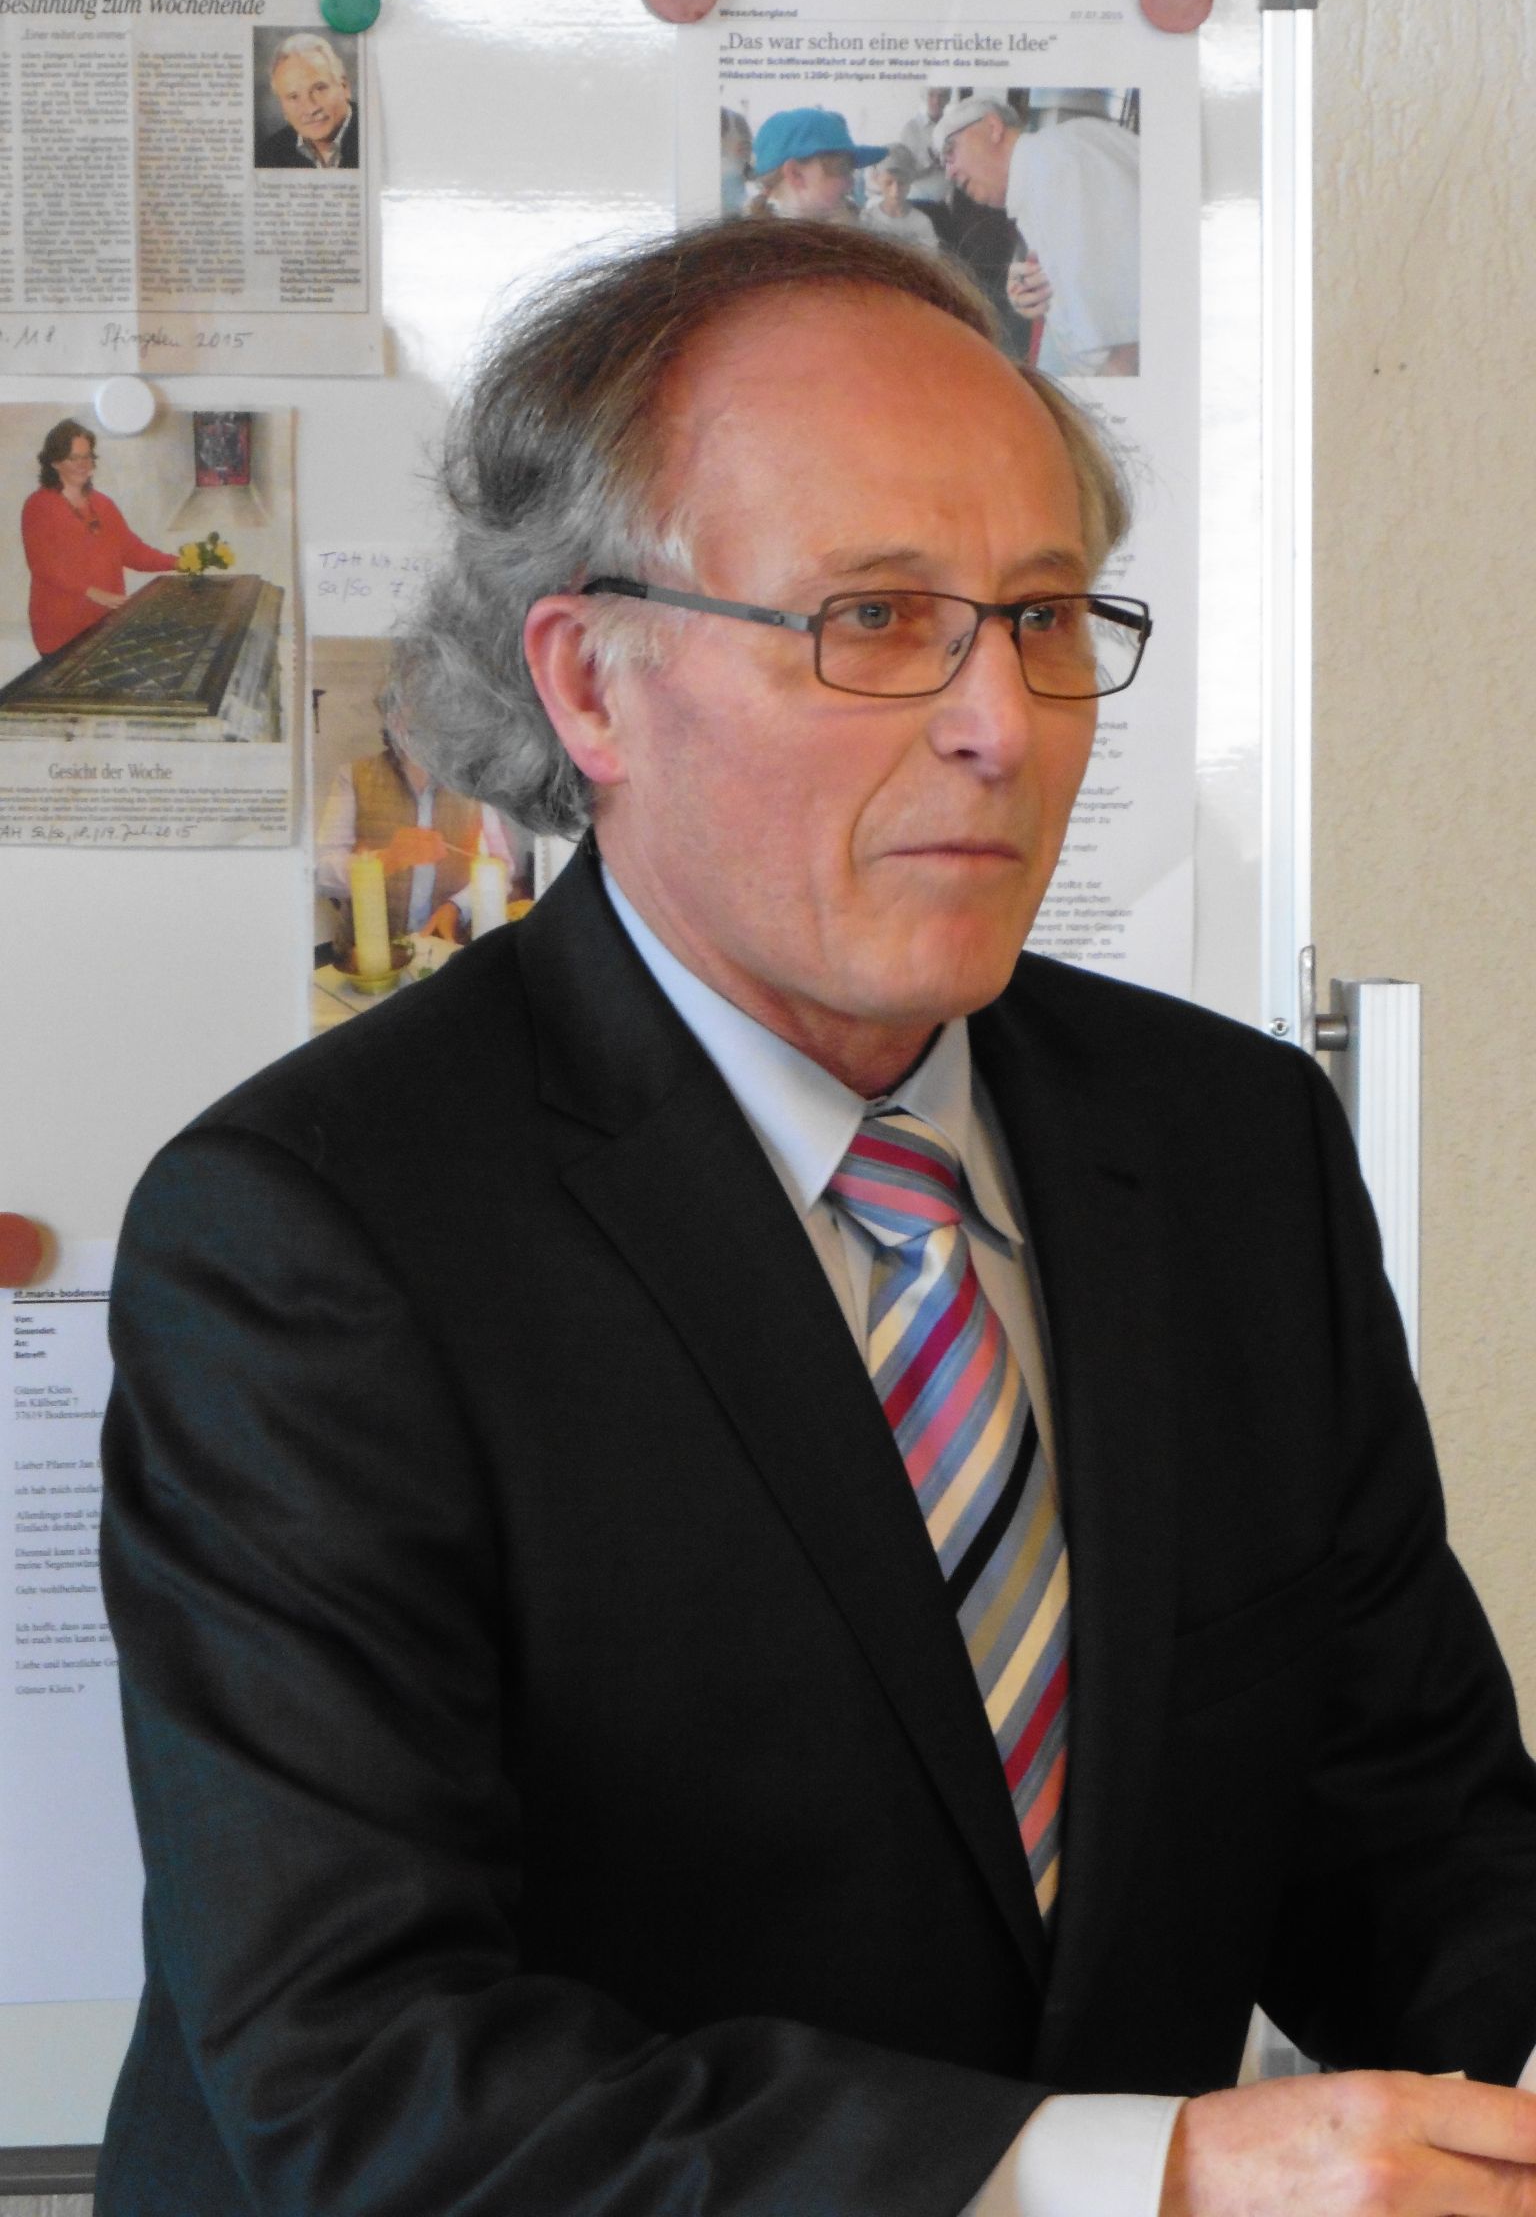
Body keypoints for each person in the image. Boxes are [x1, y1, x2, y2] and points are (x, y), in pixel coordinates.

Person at [98, 220, 1536, 2217]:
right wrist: (1146, 2177)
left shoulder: (1230, 1150)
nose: (1002, 721)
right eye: (875, 618)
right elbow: (367, 2079)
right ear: (592, 682)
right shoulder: (313, 1235)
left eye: (1043, 615)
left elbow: (1416, 1844)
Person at [936, 93, 1139, 378]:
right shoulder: (1042, 170)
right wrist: (1033, 292)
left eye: (950, 151)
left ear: (993, 127)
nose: (949, 173)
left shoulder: (1058, 164)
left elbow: (1122, 341)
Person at [315, 734, 526, 947]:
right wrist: (386, 860)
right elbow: (320, 874)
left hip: (449, 951)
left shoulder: (475, 782)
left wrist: (458, 907)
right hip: (365, 956)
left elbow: (501, 869)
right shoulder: (354, 776)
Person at [20, 420, 179, 657]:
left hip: (106, 621)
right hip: (60, 627)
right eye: (74, 458)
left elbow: (132, 551)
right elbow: (44, 565)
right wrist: (94, 593)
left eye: (87, 457)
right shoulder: (39, 505)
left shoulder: (103, 504)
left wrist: (178, 562)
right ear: (54, 462)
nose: (83, 465)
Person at [748, 105, 883, 223]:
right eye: (841, 168)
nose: (851, 182)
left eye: (851, 170)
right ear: (795, 174)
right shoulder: (768, 243)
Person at [254, 31, 358, 169]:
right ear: (282, 106)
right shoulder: (268, 154)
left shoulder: (374, 134)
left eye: (319, 88)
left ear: (344, 87)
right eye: (293, 97)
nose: (310, 109)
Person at [860, 143, 942, 249]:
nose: (895, 191)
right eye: (888, 183)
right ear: (877, 179)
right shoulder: (867, 219)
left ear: (910, 181)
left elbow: (931, 255)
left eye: (902, 183)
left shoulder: (922, 223)